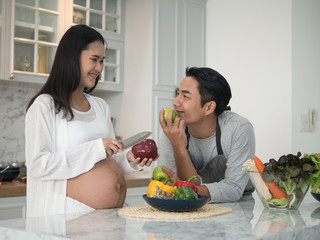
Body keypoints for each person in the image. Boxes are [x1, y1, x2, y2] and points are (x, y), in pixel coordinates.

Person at [25, 24, 156, 218]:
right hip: (68, 217)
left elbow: (107, 160)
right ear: (71, 57)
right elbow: (38, 166)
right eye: (94, 60)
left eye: (102, 61)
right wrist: (95, 148)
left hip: (111, 214)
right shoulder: (45, 106)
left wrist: (128, 160)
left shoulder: (100, 106)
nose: (99, 68)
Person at [158, 67, 255, 203]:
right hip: (193, 204)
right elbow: (186, 186)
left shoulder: (238, 129)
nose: (175, 102)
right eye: (178, 94)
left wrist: (187, 188)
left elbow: (233, 189)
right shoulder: (171, 132)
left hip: (238, 206)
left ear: (209, 107)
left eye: (185, 97)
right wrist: (178, 146)